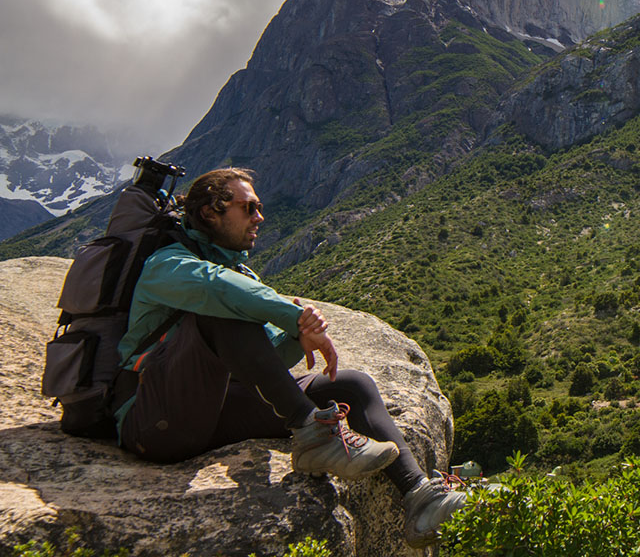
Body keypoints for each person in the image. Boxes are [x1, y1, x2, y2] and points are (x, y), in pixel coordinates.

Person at [115, 167, 465, 546]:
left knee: (351, 385)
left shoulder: (237, 272)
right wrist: (291, 314)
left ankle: (420, 495)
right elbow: (220, 292)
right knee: (223, 310)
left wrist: (298, 339)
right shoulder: (167, 265)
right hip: (153, 421)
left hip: (214, 410)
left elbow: (262, 362)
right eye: (248, 207)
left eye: (259, 207)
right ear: (209, 213)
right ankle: (312, 434)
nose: (259, 217)